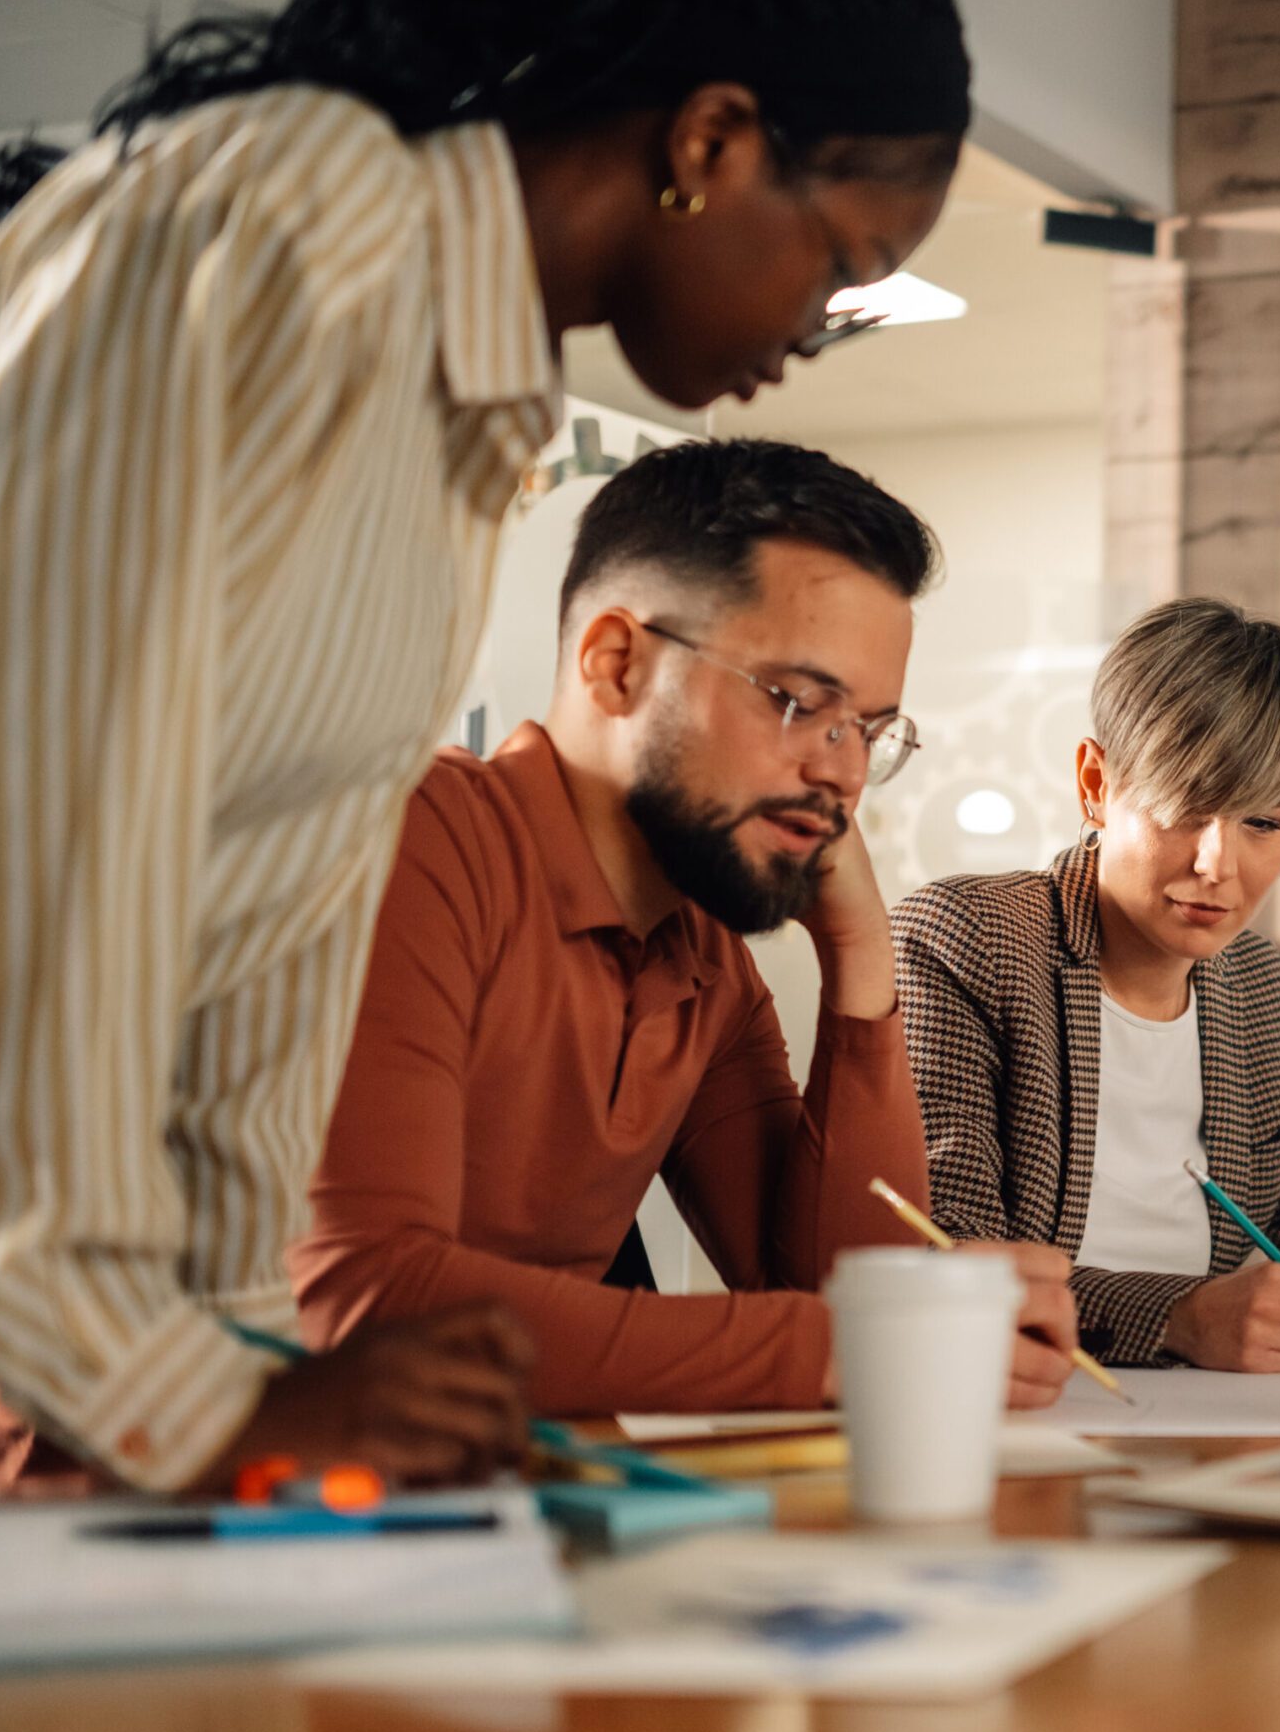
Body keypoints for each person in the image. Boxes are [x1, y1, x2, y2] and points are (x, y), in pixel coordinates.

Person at [0, 0, 972, 1490]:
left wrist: (269, 1390)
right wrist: (205, 1399)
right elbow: (39, 852)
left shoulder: (465, 417)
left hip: (168, 1428)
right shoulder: (297, 220)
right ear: (711, 139)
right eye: (842, 262)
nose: (823, 326)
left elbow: (248, 994)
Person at [289, 441, 1081, 1414]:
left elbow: (831, 1295)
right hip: (214, 1520)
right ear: (616, 665)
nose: (843, 773)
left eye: (869, 731)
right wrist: (861, 1345)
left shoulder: (700, 953)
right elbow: (367, 1305)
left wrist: (862, 956)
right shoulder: (414, 842)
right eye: (799, 702)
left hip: (490, 1504)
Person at [893, 599, 1280, 1372]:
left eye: (1263, 824)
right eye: (1183, 807)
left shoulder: (1255, 985)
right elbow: (943, 1250)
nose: (1217, 865)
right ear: (1095, 783)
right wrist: (1176, 1316)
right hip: (1006, 1403)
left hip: (1207, 1416)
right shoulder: (968, 941)